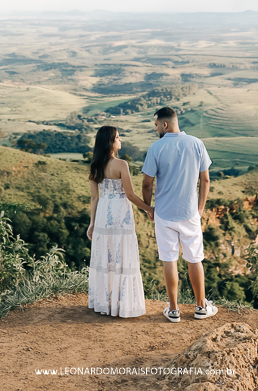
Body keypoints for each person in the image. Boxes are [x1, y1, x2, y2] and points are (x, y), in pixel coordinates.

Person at [141, 106, 218, 323]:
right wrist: (200, 209)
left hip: (164, 214)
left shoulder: (156, 147)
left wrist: (149, 208)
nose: (156, 129)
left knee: (169, 259)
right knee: (194, 258)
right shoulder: (196, 144)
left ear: (165, 124)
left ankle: (173, 310)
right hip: (189, 212)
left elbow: (147, 183)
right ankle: (201, 307)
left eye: (156, 125)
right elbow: (206, 180)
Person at [87, 124, 153, 317]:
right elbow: (130, 195)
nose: (120, 139)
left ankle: (105, 303)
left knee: (106, 258)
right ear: (110, 142)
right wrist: (149, 208)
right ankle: (122, 304)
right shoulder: (121, 165)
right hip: (121, 214)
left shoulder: (94, 166)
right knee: (122, 256)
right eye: (117, 137)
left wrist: (92, 223)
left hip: (102, 217)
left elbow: (94, 198)